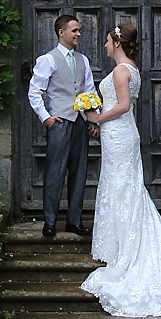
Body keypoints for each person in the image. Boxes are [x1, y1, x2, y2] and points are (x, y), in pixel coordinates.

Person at [80, 24, 161, 317]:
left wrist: (96, 118)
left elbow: (122, 106)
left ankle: (128, 254)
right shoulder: (132, 68)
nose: (105, 46)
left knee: (123, 189)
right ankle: (122, 247)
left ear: (117, 42)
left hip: (119, 134)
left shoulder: (122, 71)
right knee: (121, 188)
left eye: (108, 41)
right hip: (119, 135)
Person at [28, 14, 95, 238]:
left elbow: (89, 91)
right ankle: (50, 221)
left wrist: (93, 119)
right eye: (74, 30)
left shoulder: (83, 60)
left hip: (80, 123)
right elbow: (35, 91)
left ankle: (74, 221)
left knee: (79, 172)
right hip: (59, 122)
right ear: (61, 32)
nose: (78, 34)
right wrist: (46, 117)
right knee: (55, 172)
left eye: (79, 30)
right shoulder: (47, 60)